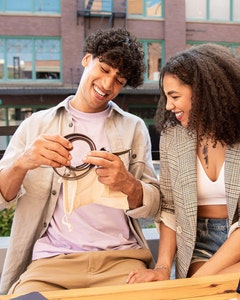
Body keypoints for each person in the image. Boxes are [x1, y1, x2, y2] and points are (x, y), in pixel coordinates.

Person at [0, 27, 160, 295]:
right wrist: (23, 162)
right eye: (105, 69)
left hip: (121, 261)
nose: (108, 85)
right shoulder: (37, 125)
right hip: (50, 264)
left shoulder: (133, 128)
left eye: (119, 80)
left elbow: (155, 205)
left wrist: (129, 185)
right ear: (87, 59)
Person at [126, 43, 240, 284]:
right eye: (166, 97)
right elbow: (170, 209)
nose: (168, 106)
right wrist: (163, 268)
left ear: (203, 92)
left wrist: (192, 283)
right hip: (197, 242)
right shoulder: (173, 137)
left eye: (174, 96)